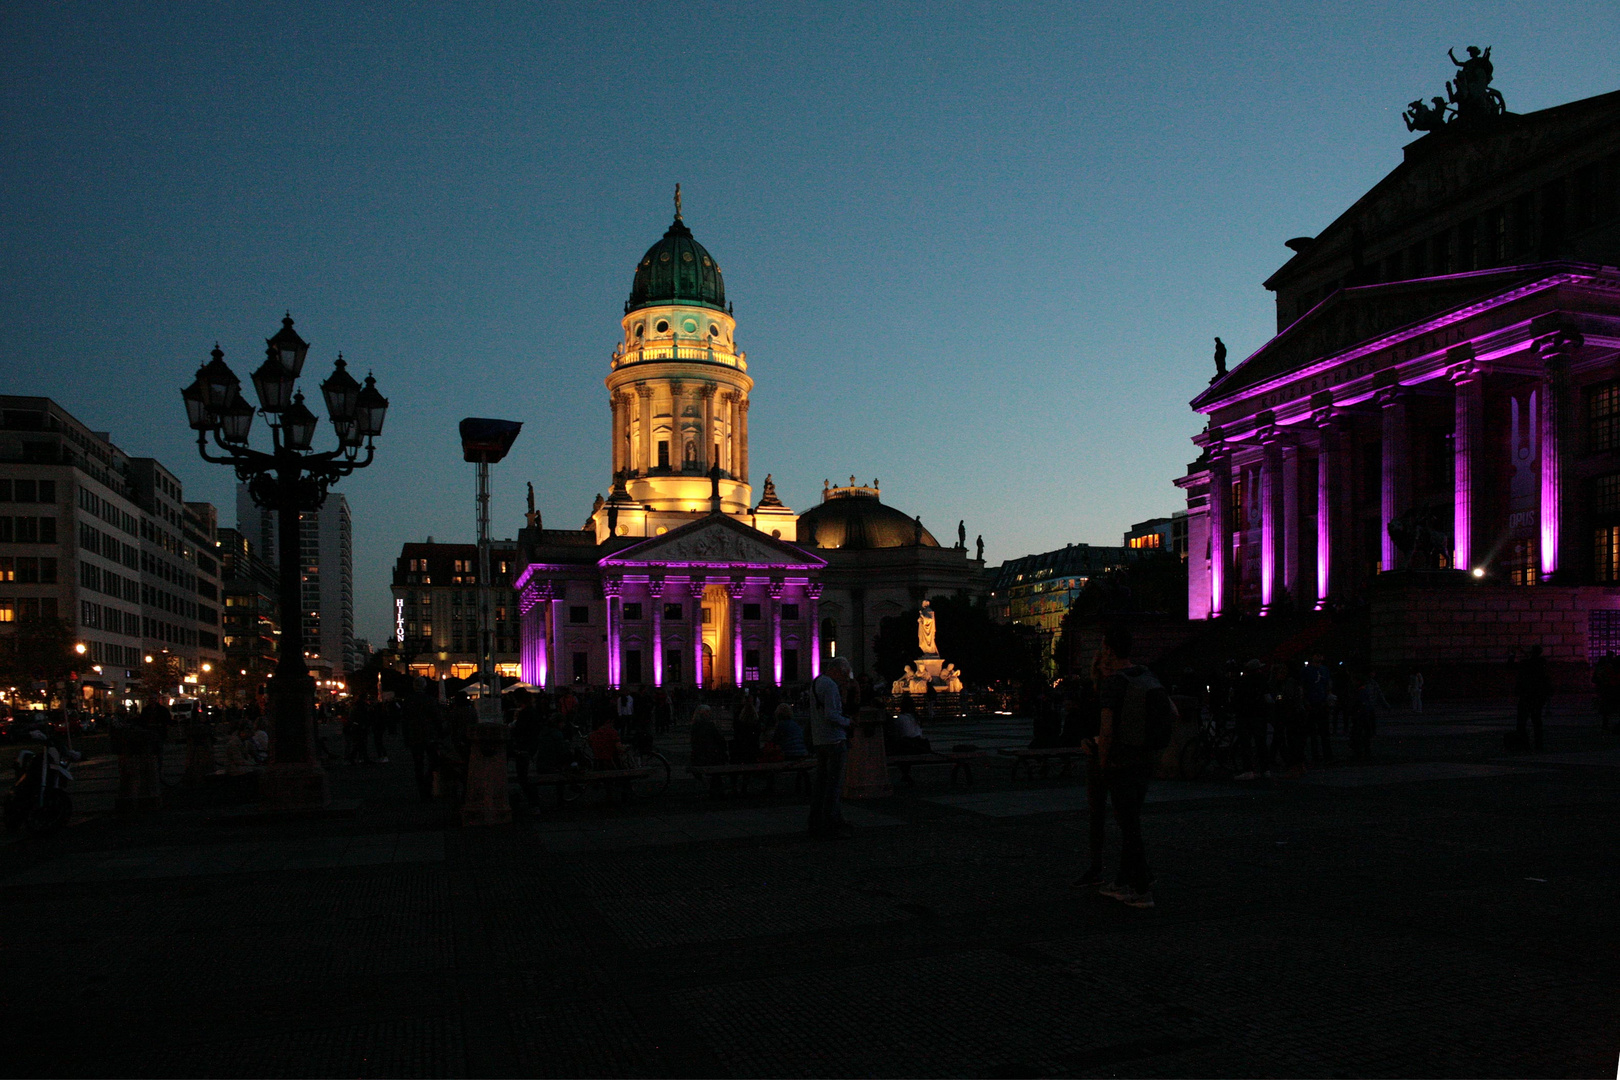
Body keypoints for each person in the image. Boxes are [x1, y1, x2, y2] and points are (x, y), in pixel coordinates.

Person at [1093, 625, 1173, 908]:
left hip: (1122, 761)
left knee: (1129, 826)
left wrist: (1102, 762)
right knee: (1131, 821)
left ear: (1110, 650)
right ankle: (1127, 880)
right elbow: (1172, 712)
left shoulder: (1115, 682)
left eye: (1103, 647)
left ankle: (1141, 888)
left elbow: (1107, 729)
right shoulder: (1145, 674)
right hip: (1145, 758)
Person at [1074, 651, 1110, 888]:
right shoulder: (1093, 692)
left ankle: (1100, 868)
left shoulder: (1100, 691)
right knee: (1107, 815)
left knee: (1101, 815)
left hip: (1107, 755)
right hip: (1100, 753)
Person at [808, 656, 854, 839]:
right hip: (834, 741)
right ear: (835, 670)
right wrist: (848, 722)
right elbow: (831, 715)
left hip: (820, 740)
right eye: (843, 674)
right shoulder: (830, 686)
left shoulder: (816, 682)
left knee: (821, 784)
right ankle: (830, 824)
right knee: (834, 785)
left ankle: (816, 821)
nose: (843, 678)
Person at [401, 678, 440, 803]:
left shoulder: (408, 701)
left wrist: (406, 737)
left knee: (418, 764)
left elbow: (404, 721)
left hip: (414, 736)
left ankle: (421, 789)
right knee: (433, 762)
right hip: (429, 736)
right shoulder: (430, 700)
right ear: (425, 686)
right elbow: (436, 718)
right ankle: (428, 784)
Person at [507, 690, 542, 810]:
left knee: (523, 776)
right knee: (524, 776)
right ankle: (534, 802)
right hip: (530, 746)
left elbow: (519, 730)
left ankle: (534, 803)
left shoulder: (525, 713)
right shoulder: (532, 711)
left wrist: (513, 726)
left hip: (524, 748)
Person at [1515, 645, 1551, 752]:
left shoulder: (1526, 664)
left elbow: (1516, 671)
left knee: (1522, 722)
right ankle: (1538, 744)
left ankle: (1525, 744)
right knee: (1537, 721)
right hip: (1537, 696)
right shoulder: (1542, 664)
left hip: (1526, 696)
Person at [689, 705, 729, 797]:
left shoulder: (695, 726)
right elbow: (720, 740)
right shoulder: (709, 725)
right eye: (707, 712)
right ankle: (717, 789)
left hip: (699, 756)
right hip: (710, 756)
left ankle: (715, 788)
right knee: (717, 763)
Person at [1301, 655, 1333, 764]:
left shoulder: (1323, 670)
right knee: (1314, 731)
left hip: (1321, 702)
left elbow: (1327, 684)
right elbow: (1303, 686)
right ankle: (1318, 754)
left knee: (1322, 731)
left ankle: (1325, 754)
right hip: (1313, 703)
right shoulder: (1308, 671)